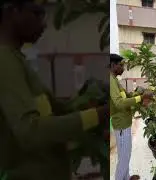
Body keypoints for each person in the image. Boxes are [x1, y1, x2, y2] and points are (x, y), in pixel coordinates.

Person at [0, 1, 108, 180]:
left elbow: (54, 112)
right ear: (13, 10)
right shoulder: (4, 61)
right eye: (36, 13)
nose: (43, 24)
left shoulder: (17, 59)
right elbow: (30, 130)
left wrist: (90, 105)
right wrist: (98, 114)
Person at [110, 54, 154, 180]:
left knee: (126, 154)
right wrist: (141, 98)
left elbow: (126, 96)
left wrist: (137, 93)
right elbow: (119, 103)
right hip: (122, 125)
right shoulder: (110, 80)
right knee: (124, 157)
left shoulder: (115, 81)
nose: (123, 68)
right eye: (121, 65)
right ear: (113, 65)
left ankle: (126, 177)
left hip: (125, 122)